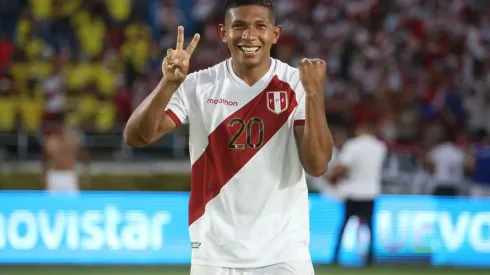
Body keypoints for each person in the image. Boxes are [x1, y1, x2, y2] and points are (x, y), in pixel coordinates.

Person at [124, 0, 333, 274]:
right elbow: (136, 137)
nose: (249, 35)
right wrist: (168, 84)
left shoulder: (296, 83)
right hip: (214, 254)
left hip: (284, 252)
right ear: (224, 33)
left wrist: (315, 94)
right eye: (239, 26)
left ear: (275, 34)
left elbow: (317, 166)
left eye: (260, 26)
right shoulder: (199, 84)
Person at [328, 122, 387, 265]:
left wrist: (330, 175)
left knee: (344, 226)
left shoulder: (352, 145)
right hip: (371, 192)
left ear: (361, 129)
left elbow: (342, 167)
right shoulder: (380, 147)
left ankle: (335, 257)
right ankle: (370, 259)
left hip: (353, 191)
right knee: (370, 228)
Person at [42, 114, 89, 193]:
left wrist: (85, 175)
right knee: (51, 203)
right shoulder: (49, 142)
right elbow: (45, 160)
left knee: (72, 203)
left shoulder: (73, 140)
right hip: (54, 175)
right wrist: (45, 177)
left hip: (69, 175)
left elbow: (84, 156)